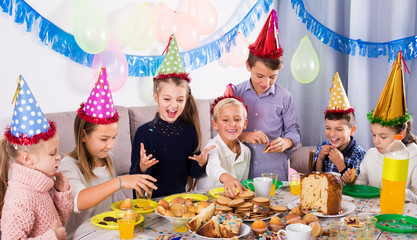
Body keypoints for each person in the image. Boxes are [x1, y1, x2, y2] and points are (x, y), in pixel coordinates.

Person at [58, 68, 157, 239]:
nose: (111, 145)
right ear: (83, 135)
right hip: (81, 235)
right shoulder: (68, 165)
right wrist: (119, 182)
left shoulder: (108, 159)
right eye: (104, 139)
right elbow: (78, 202)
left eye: (114, 138)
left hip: (107, 231)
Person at [130, 35, 215, 198]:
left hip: (178, 203)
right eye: (167, 99)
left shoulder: (189, 131)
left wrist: (201, 163)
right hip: (149, 206)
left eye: (180, 99)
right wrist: (142, 166)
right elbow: (135, 177)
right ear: (156, 98)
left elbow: (193, 172)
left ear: (186, 99)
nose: (174, 105)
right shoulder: (143, 133)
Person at [1, 76, 73, 240]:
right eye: (52, 153)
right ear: (28, 158)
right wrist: (53, 237)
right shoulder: (20, 198)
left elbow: (58, 224)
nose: (59, 157)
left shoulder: (40, 185)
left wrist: (62, 194)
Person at [234, 10, 301, 180]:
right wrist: (244, 135)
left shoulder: (285, 97)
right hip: (242, 172)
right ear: (248, 66)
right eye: (259, 76)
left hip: (274, 172)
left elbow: (293, 131)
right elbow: (222, 130)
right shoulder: (235, 93)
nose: (265, 83)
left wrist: (286, 142)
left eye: (272, 77)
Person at [356, 51, 417, 203]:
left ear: (400, 135)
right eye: (373, 134)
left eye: (383, 137)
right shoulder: (370, 155)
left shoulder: (413, 157)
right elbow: (358, 188)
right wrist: (350, 181)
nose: (377, 141)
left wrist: (402, 193)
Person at [197, 85, 251, 196]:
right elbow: (213, 167)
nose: (232, 124)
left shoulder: (246, 151)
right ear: (215, 124)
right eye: (225, 120)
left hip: (230, 200)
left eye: (237, 119)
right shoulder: (213, 146)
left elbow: (242, 181)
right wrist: (227, 178)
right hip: (207, 198)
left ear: (244, 123)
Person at [312, 72, 365, 185]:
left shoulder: (358, 154)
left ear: (352, 130)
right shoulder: (322, 147)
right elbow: (315, 179)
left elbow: (356, 187)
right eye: (328, 128)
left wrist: (341, 165)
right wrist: (320, 158)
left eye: (339, 129)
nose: (332, 134)